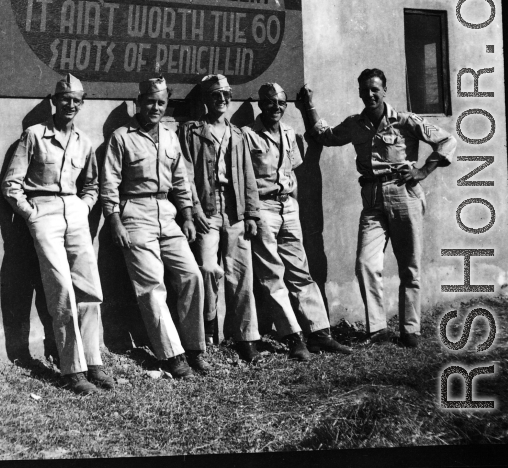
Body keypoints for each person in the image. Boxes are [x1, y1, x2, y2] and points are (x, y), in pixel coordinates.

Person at [296, 69, 457, 348]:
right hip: (371, 198)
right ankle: (378, 329)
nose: (370, 94)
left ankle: (410, 330)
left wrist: (423, 171)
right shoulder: (355, 124)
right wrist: (307, 106)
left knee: (410, 266)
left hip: (403, 192)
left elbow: (447, 140)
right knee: (365, 264)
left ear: (384, 91)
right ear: (359, 92)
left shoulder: (405, 120)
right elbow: (326, 136)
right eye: (365, 89)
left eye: (375, 89)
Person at [1, 73, 113, 395]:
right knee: (61, 288)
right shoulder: (34, 135)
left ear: (82, 103)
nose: (71, 105)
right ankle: (72, 369)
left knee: (89, 288)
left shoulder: (84, 142)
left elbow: (91, 185)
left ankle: (94, 362)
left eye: (77, 101)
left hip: (74, 213)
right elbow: (11, 184)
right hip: (44, 213)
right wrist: (32, 214)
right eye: (66, 99)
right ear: (55, 101)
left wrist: (83, 207)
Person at [101, 76, 208, 378]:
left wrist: (186, 215)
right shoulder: (121, 137)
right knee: (151, 287)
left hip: (168, 214)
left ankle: (195, 347)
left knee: (191, 276)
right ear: (138, 102)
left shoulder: (171, 136)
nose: (155, 107)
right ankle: (172, 355)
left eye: (161, 102)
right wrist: (115, 220)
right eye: (150, 101)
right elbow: (109, 183)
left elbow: (181, 181)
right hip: (135, 214)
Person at [242, 82, 352, 361]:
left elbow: (293, 175)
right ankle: (293, 337)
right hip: (263, 207)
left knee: (300, 271)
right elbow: (244, 180)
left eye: (281, 103)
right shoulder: (248, 136)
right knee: (272, 275)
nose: (276, 108)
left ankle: (319, 333)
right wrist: (253, 213)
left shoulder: (290, 133)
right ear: (260, 104)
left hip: (288, 206)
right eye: (270, 102)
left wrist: (295, 207)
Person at [178, 74, 263, 363]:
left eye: (226, 95)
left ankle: (246, 337)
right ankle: (208, 324)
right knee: (207, 269)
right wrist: (195, 210)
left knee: (241, 275)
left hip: (235, 210)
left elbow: (249, 176)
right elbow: (186, 175)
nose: (223, 101)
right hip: (207, 210)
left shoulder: (238, 134)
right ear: (206, 99)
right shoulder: (192, 132)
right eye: (216, 96)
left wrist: (251, 213)